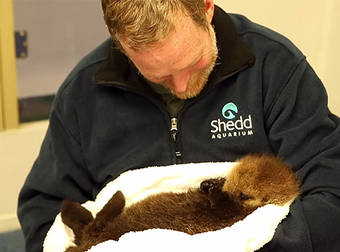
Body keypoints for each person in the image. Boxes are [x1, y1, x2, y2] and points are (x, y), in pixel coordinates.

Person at [18, 0, 340, 251]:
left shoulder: (276, 70)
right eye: (158, 75)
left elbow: (331, 194)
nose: (182, 85)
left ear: (206, 7)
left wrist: (240, 246)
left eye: (193, 62)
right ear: (120, 43)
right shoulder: (82, 95)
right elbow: (43, 210)